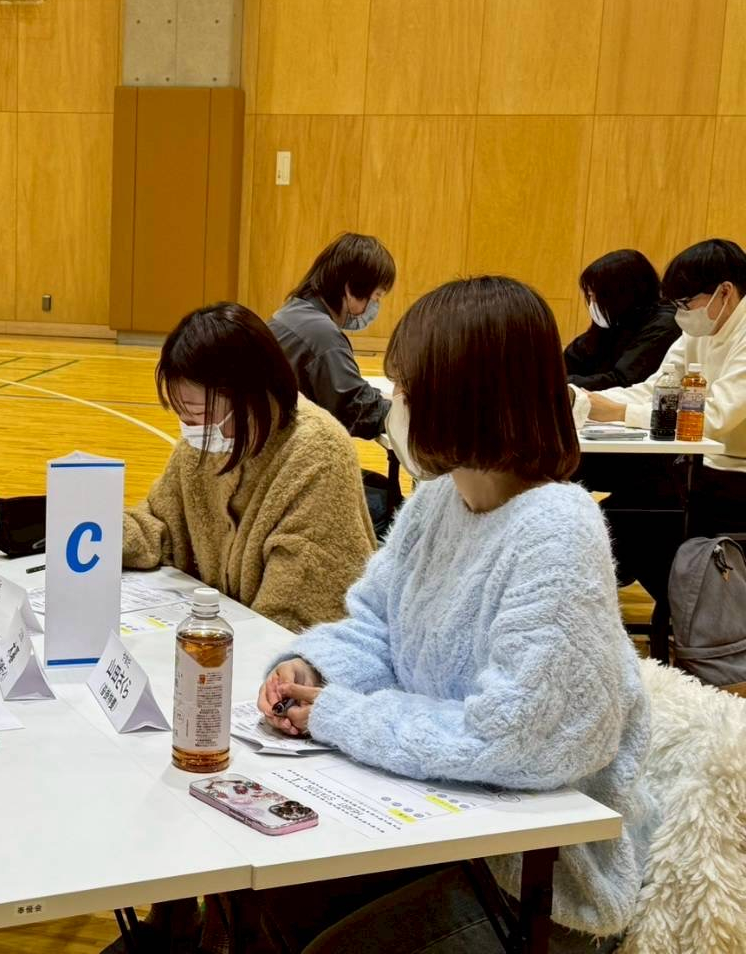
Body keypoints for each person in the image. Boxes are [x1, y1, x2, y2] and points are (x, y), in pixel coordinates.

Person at [252, 276, 653, 953]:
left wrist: (339, 714)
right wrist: (313, 670)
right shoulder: (440, 501)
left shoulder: (557, 532)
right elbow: (375, 624)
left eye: (406, 390)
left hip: (536, 880)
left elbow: (521, 741)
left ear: (465, 399)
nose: (394, 406)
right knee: (268, 894)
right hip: (438, 821)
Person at [124, 302, 376, 633]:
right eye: (182, 416)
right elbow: (161, 526)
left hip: (292, 651)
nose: (190, 429)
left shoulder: (318, 454)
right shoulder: (203, 446)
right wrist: (100, 533)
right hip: (231, 635)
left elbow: (297, 614)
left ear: (250, 396)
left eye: (198, 415)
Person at [574, 238, 746, 600]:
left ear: (725, 292)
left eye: (686, 303)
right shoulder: (700, 330)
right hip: (700, 466)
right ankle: (676, 609)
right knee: (620, 514)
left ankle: (687, 611)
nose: (680, 314)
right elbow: (655, 390)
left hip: (734, 474)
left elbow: (716, 416)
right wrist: (587, 401)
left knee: (636, 517)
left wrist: (621, 412)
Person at [268, 233, 399, 536]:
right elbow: (359, 411)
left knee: (378, 486)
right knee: (391, 508)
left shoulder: (293, 312)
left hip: (278, 463)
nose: (375, 306)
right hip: (288, 475)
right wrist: (407, 408)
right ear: (351, 288)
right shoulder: (322, 335)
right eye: (376, 297)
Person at [565, 249, 681, 391]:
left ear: (621, 294)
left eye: (597, 296)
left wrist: (563, 383)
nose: (593, 303)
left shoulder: (662, 325)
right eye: (590, 295)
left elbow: (624, 380)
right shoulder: (617, 318)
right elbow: (573, 357)